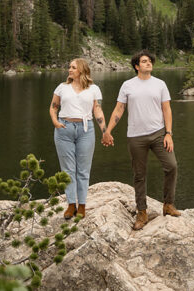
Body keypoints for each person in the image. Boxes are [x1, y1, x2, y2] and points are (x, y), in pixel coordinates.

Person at [102, 50, 179, 230]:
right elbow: (119, 109)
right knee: (139, 174)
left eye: (149, 61)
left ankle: (168, 205)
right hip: (136, 136)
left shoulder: (160, 84)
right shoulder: (128, 85)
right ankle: (141, 212)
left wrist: (169, 133)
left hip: (159, 133)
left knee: (171, 166)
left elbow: (166, 109)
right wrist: (107, 131)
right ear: (137, 66)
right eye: (144, 62)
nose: (148, 63)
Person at [50, 58, 106, 220]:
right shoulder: (62, 87)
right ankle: (70, 205)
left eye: (73, 67)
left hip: (85, 130)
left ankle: (81, 205)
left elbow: (98, 111)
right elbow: (54, 107)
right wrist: (55, 122)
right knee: (67, 170)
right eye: (69, 67)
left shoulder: (94, 89)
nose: (69, 69)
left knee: (83, 170)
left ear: (81, 70)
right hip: (64, 129)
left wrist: (105, 131)